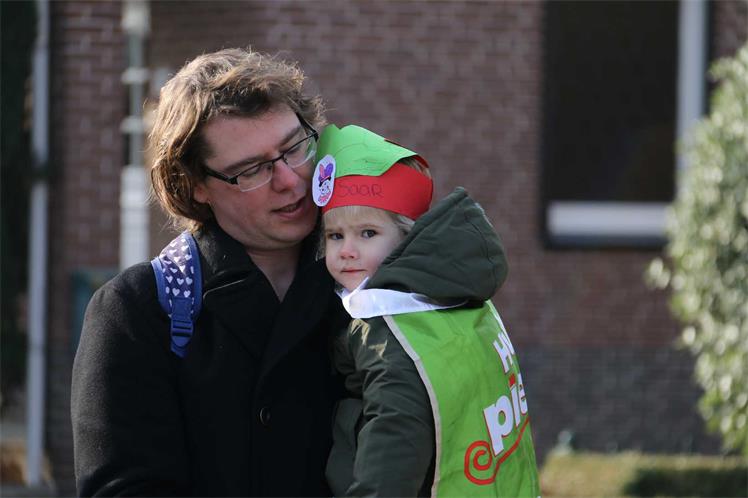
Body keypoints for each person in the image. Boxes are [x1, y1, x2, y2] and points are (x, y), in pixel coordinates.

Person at [71, 48, 348, 497]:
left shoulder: (369, 281)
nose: (290, 180)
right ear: (196, 186)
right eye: (252, 170)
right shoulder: (139, 311)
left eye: (294, 147)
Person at [313, 124, 541, 497]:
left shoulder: (391, 333)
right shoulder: (457, 301)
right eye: (335, 235)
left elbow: (394, 443)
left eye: (368, 233)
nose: (347, 251)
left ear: (406, 238)